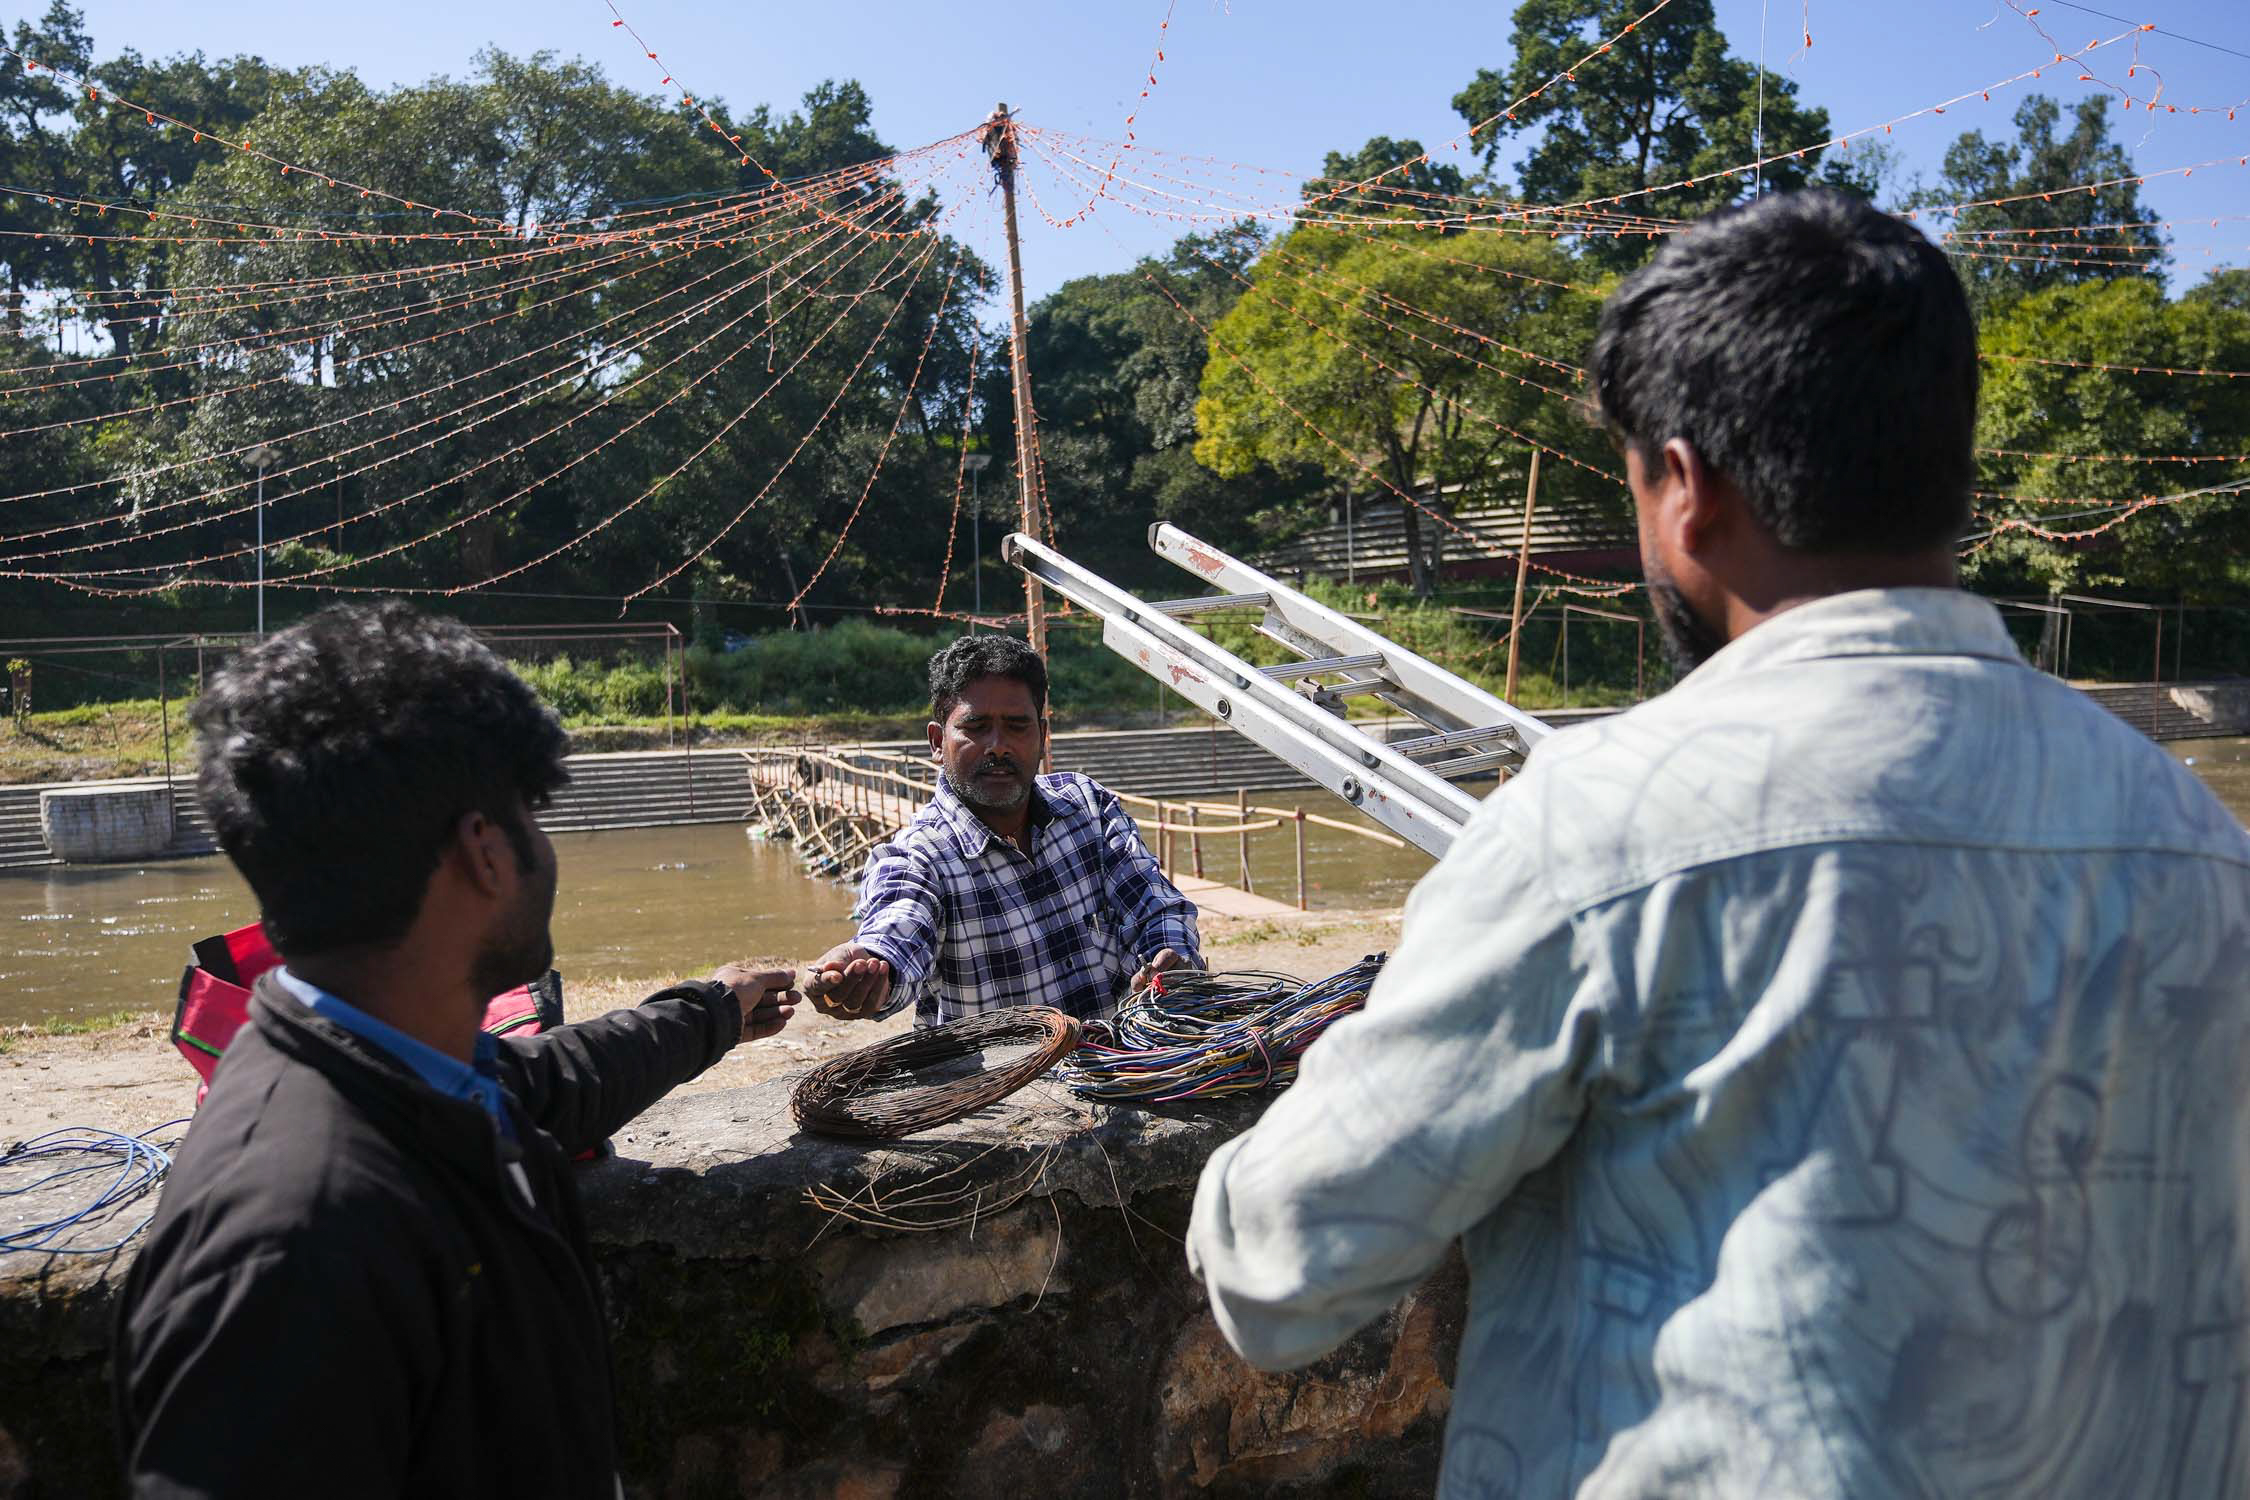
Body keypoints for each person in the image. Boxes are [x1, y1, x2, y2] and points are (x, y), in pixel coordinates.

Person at [1185, 190, 2250, 1498]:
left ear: (1682, 491)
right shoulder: (2200, 844)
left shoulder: (1595, 833)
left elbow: (1277, 1268)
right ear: (1949, 472)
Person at [114, 603, 799, 1499]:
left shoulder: (396, 1070)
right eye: (529, 815)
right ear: (484, 851)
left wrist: (712, 1011)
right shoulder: (289, 1240)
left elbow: (552, 1082)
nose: (543, 851)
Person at [808, 634, 1201, 1024]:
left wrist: (1169, 954)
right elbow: (899, 924)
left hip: (1119, 1067)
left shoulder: (1086, 804)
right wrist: (874, 968)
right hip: (1009, 1086)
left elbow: (1154, 904)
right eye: (976, 727)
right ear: (936, 741)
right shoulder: (920, 857)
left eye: (1017, 726)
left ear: (1043, 736)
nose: (998, 746)